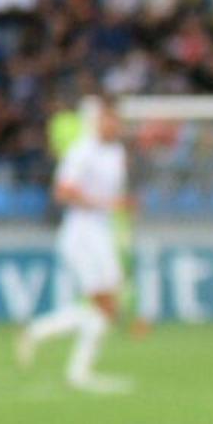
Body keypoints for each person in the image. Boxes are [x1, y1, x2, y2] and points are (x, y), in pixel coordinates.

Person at [14, 93, 133, 394]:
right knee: (104, 305)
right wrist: (106, 202)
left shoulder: (117, 152)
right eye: (109, 118)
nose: (114, 125)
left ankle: (52, 346)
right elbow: (63, 192)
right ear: (98, 120)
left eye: (116, 119)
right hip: (81, 234)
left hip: (102, 232)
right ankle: (68, 362)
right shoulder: (82, 151)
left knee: (109, 305)